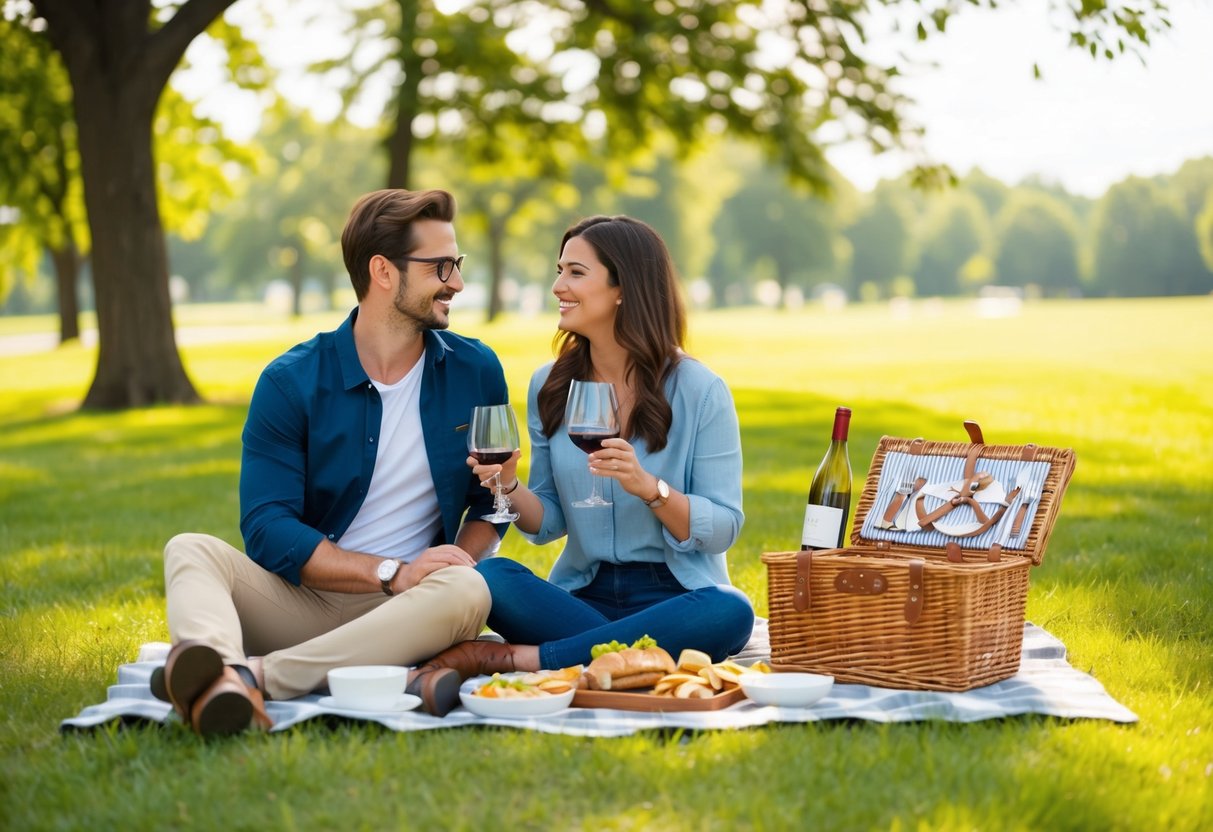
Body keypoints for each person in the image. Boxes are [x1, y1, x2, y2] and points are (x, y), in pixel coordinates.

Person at [155, 188, 511, 735]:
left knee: (470, 588)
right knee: (190, 550)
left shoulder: (476, 369)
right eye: (441, 266)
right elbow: (267, 529)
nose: (457, 282)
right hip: (303, 602)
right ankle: (243, 669)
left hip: (415, 614)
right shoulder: (291, 380)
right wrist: (391, 573)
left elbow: (493, 503)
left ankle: (242, 679)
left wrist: (448, 563)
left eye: (457, 264)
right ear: (383, 272)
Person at [414, 215, 754, 681]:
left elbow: (724, 528)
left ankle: (524, 659)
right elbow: (547, 522)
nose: (558, 286)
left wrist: (650, 489)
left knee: (730, 610)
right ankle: (630, 656)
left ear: (623, 288)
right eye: (559, 270)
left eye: (575, 272)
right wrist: (508, 486)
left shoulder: (700, 390)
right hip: (584, 593)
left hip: (676, 594)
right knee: (489, 577)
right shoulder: (549, 385)